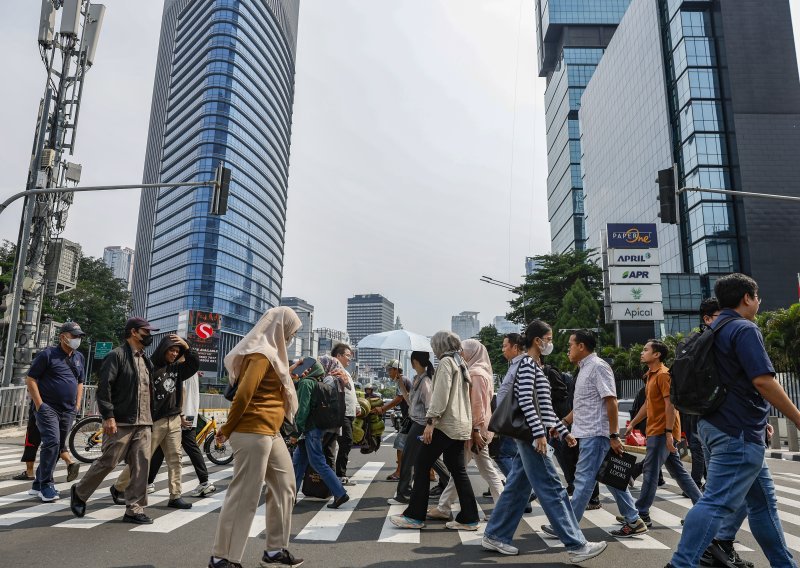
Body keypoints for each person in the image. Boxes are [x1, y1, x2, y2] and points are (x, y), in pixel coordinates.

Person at [667, 274, 800, 568]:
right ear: (747, 299)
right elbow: (763, 381)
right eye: (757, 296)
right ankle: (681, 564)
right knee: (716, 501)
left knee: (764, 505)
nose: (759, 302)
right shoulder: (743, 328)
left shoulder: (713, 329)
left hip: (717, 425)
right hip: (736, 430)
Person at [482, 320, 607, 562]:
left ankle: (495, 534)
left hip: (531, 434)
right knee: (553, 488)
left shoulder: (535, 365)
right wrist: (540, 434)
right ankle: (577, 545)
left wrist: (562, 430)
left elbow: (546, 408)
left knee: (517, 487)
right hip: (531, 436)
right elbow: (526, 402)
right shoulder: (529, 364)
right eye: (548, 339)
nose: (550, 343)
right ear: (537, 340)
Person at [209, 306, 304, 568]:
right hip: (252, 429)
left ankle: (275, 551)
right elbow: (243, 395)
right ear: (280, 327)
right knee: (245, 495)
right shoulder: (262, 353)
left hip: (270, 432)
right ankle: (223, 558)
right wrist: (227, 428)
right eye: (292, 331)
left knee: (286, 486)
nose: (292, 336)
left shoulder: (274, 356)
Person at [545, 329, 648, 538]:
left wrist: (613, 435)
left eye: (570, 345)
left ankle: (566, 526)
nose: (568, 350)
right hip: (588, 433)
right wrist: (563, 423)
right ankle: (633, 520)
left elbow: (611, 401)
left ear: (581, 346)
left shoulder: (598, 367)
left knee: (583, 480)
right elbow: (583, 405)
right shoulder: (584, 369)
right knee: (611, 478)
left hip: (595, 434)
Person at [70, 317, 158, 524]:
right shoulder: (116, 356)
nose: (149, 335)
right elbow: (104, 388)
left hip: (144, 422)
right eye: (146, 331)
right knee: (108, 461)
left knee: (141, 465)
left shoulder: (146, 360)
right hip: (121, 421)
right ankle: (80, 493)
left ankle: (134, 509)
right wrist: (108, 416)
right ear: (134, 332)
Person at [390, 331, 479, 531]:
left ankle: (415, 516)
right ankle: (469, 518)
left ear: (440, 345)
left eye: (434, 344)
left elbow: (441, 395)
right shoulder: (460, 362)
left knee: (421, 465)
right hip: (460, 425)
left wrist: (431, 422)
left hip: (445, 424)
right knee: (458, 470)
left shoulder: (446, 362)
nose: (433, 349)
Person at [111, 334, 199, 509]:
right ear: (163, 349)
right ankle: (118, 487)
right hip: (154, 421)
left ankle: (175, 495)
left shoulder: (177, 369)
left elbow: (194, 364)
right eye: (171, 350)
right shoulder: (149, 366)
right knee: (143, 459)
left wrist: (186, 346)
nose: (174, 354)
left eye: (177, 351)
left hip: (173, 419)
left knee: (175, 458)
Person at [623, 340, 702, 528]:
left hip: (661, 431)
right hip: (656, 430)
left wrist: (668, 433)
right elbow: (648, 405)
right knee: (679, 473)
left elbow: (670, 405)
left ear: (657, 354)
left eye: (645, 349)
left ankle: (641, 513)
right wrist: (633, 423)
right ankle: (703, 509)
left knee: (650, 471)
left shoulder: (664, 375)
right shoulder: (651, 375)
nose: (642, 353)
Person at [428, 339, 505, 520]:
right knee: (481, 470)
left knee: (462, 469)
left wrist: (476, 430)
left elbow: (477, 404)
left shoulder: (476, 373)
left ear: (471, 353)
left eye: (463, 351)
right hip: (478, 427)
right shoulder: (482, 371)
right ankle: (445, 506)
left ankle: (444, 507)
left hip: (475, 429)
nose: (460, 354)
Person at [24, 321, 86, 502]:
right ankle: (46, 485)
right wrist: (40, 405)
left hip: (68, 410)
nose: (77, 339)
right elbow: (31, 379)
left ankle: (37, 483)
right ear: (63, 337)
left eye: (79, 336)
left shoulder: (79, 357)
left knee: (57, 446)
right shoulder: (48, 355)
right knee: (52, 442)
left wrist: (77, 404)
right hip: (48, 408)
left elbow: (80, 381)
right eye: (74, 336)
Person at [388, 351, 450, 505]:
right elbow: (410, 402)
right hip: (418, 423)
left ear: (414, 361)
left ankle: (403, 493)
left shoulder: (426, 382)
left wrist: (429, 426)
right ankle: (450, 484)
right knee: (430, 457)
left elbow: (430, 405)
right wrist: (401, 385)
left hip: (421, 424)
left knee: (408, 457)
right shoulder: (417, 379)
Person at [290, 360, 350, 509]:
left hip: (309, 430)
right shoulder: (319, 383)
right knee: (298, 463)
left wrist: (295, 433)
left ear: (310, 370)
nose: (302, 371)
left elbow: (302, 411)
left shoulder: (306, 384)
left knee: (318, 462)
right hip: (315, 429)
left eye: (305, 369)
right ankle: (290, 496)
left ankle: (340, 493)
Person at [148, 372, 216, 497]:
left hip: (181, 416)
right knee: (161, 449)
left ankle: (204, 481)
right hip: (190, 414)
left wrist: (181, 415)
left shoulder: (181, 371)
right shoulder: (193, 371)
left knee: (188, 448)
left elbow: (182, 392)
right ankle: (149, 482)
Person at [15, 409, 81, 483]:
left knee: (31, 439)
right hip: (60, 408)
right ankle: (69, 462)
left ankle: (29, 472)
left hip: (41, 406)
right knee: (55, 439)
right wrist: (77, 405)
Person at [378, 360, 413, 481]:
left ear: (395, 370)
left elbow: (399, 399)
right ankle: (431, 472)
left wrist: (383, 408)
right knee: (418, 447)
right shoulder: (403, 380)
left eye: (389, 370)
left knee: (400, 444)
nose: (388, 373)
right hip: (411, 417)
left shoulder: (402, 380)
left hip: (410, 418)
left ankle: (399, 473)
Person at [331, 343, 358, 485]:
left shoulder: (345, 371)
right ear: (338, 356)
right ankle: (340, 474)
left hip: (349, 412)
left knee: (343, 442)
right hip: (342, 413)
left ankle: (337, 473)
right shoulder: (335, 370)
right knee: (346, 441)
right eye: (347, 355)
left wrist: (357, 406)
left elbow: (350, 392)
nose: (350, 359)